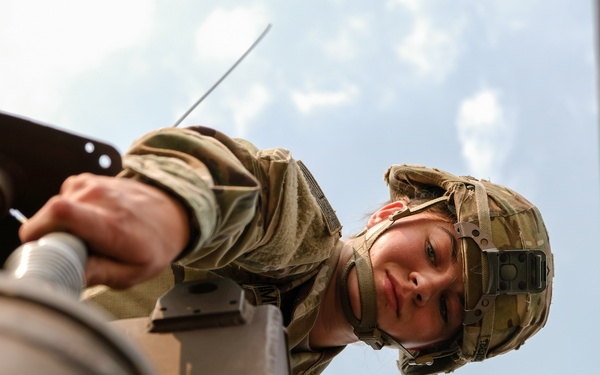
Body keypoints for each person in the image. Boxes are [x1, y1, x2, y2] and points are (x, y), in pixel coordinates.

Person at [18, 126, 554, 375]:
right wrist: (171, 211)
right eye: (436, 254)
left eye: (446, 309)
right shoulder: (296, 232)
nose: (423, 286)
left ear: (429, 349)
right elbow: (248, 192)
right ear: (395, 214)